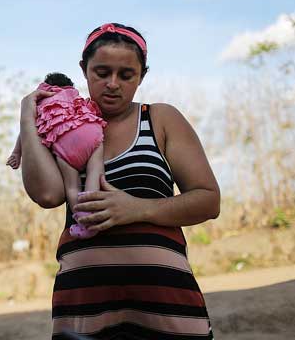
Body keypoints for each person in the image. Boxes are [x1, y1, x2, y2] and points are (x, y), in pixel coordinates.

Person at [19, 23, 220, 339]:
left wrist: (137, 209)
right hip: (84, 303)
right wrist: (28, 117)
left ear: (142, 76)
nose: (113, 84)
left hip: (165, 302)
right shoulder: (63, 123)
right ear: (84, 70)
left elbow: (208, 200)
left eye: (126, 75)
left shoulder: (160, 119)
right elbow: (47, 194)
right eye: (101, 72)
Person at [7, 72, 106, 238]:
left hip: (65, 141)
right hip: (90, 131)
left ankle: (84, 222)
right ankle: (94, 211)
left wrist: (17, 153)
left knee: (72, 187)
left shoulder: (40, 102)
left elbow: (24, 133)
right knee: (95, 171)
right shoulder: (73, 95)